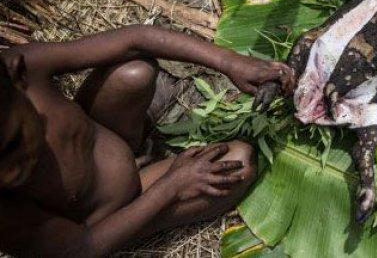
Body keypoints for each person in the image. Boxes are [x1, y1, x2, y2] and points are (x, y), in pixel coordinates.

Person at [0, 26, 294, 256]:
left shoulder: (27, 65)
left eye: (12, 144)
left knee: (133, 72)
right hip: (101, 220)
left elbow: (136, 39)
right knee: (238, 165)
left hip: (110, 137)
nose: (8, 173)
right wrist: (170, 188)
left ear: (17, 79)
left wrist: (230, 62)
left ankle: (141, 144)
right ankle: (141, 226)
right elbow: (77, 249)